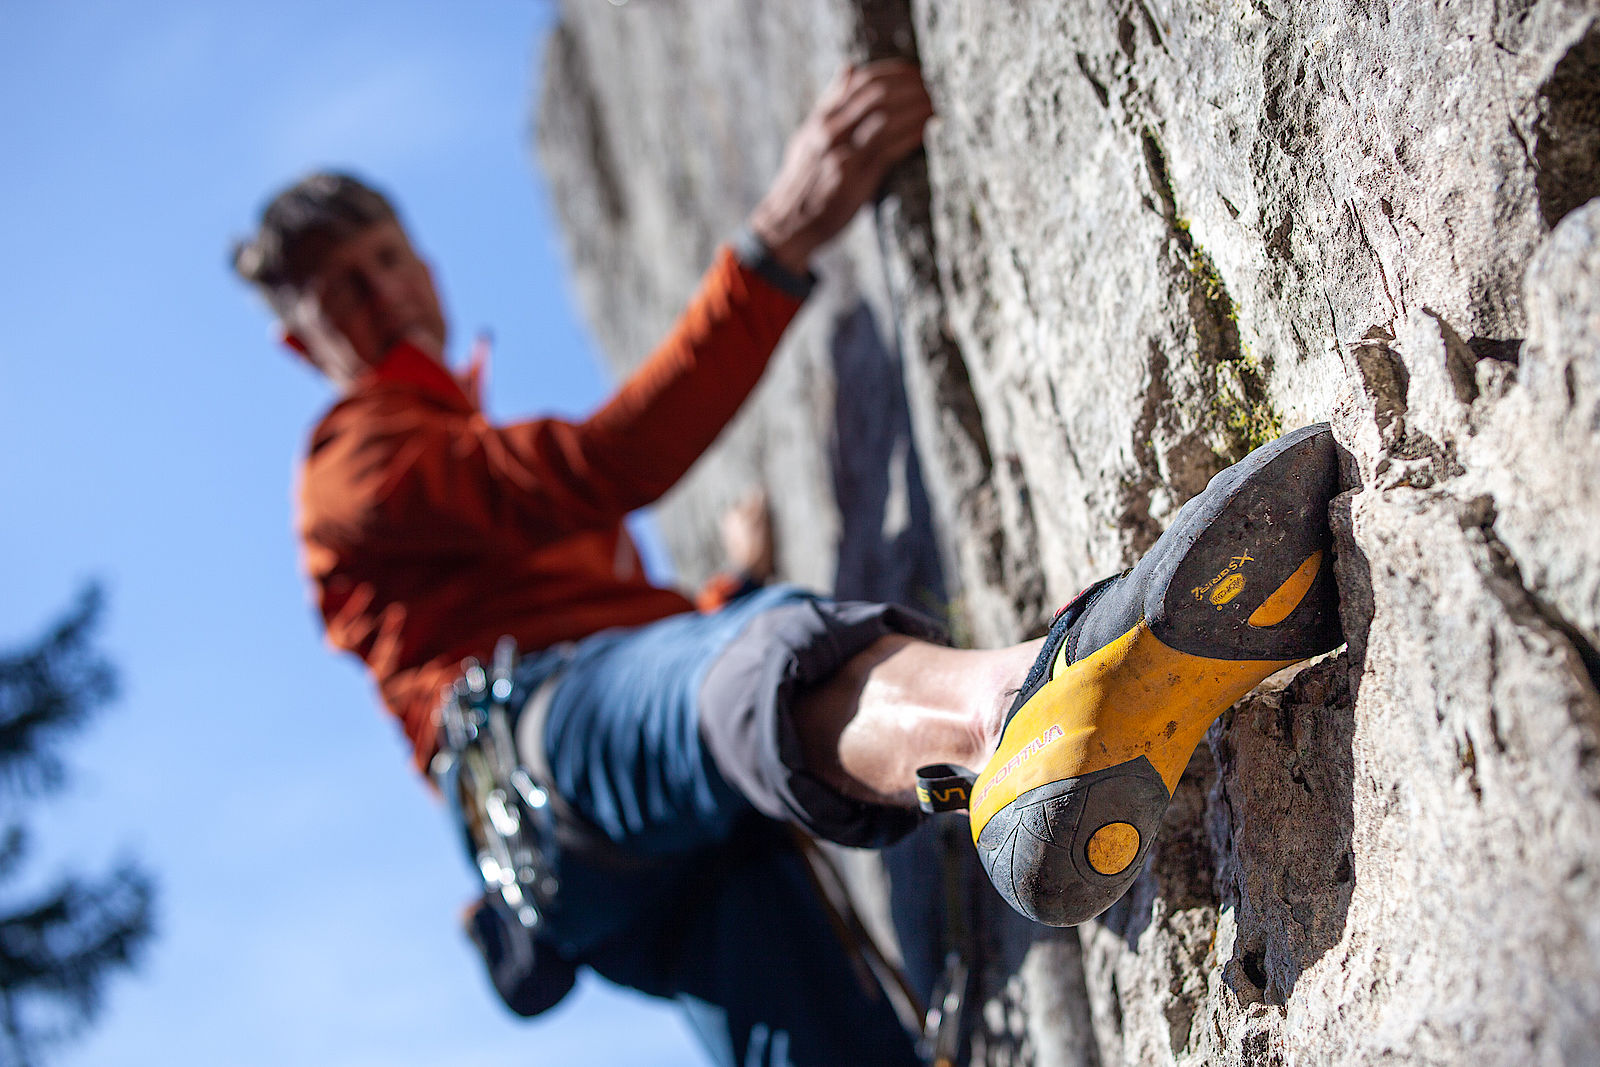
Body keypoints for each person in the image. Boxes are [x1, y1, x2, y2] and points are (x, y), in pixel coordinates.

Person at [234, 59, 1343, 1066]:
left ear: (420, 262)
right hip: (545, 746)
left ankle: (1003, 727)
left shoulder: (450, 459)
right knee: (769, 657)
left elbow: (613, 636)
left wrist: (715, 593)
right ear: (302, 343)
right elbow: (600, 469)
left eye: (385, 262)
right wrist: (773, 244)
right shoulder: (349, 459)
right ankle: (1005, 708)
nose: (383, 299)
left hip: (606, 844)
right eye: (343, 293)